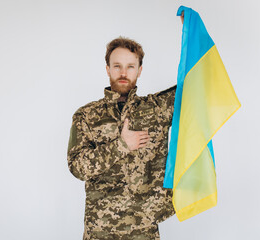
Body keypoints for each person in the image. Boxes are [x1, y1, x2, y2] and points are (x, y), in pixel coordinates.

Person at [67, 36, 177, 240]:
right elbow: (77, 167)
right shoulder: (86, 115)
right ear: (108, 69)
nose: (124, 73)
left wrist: (190, 29)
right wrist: (121, 146)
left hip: (144, 229)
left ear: (140, 70)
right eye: (117, 66)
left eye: (130, 66)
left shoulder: (158, 109)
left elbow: (198, 83)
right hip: (100, 231)